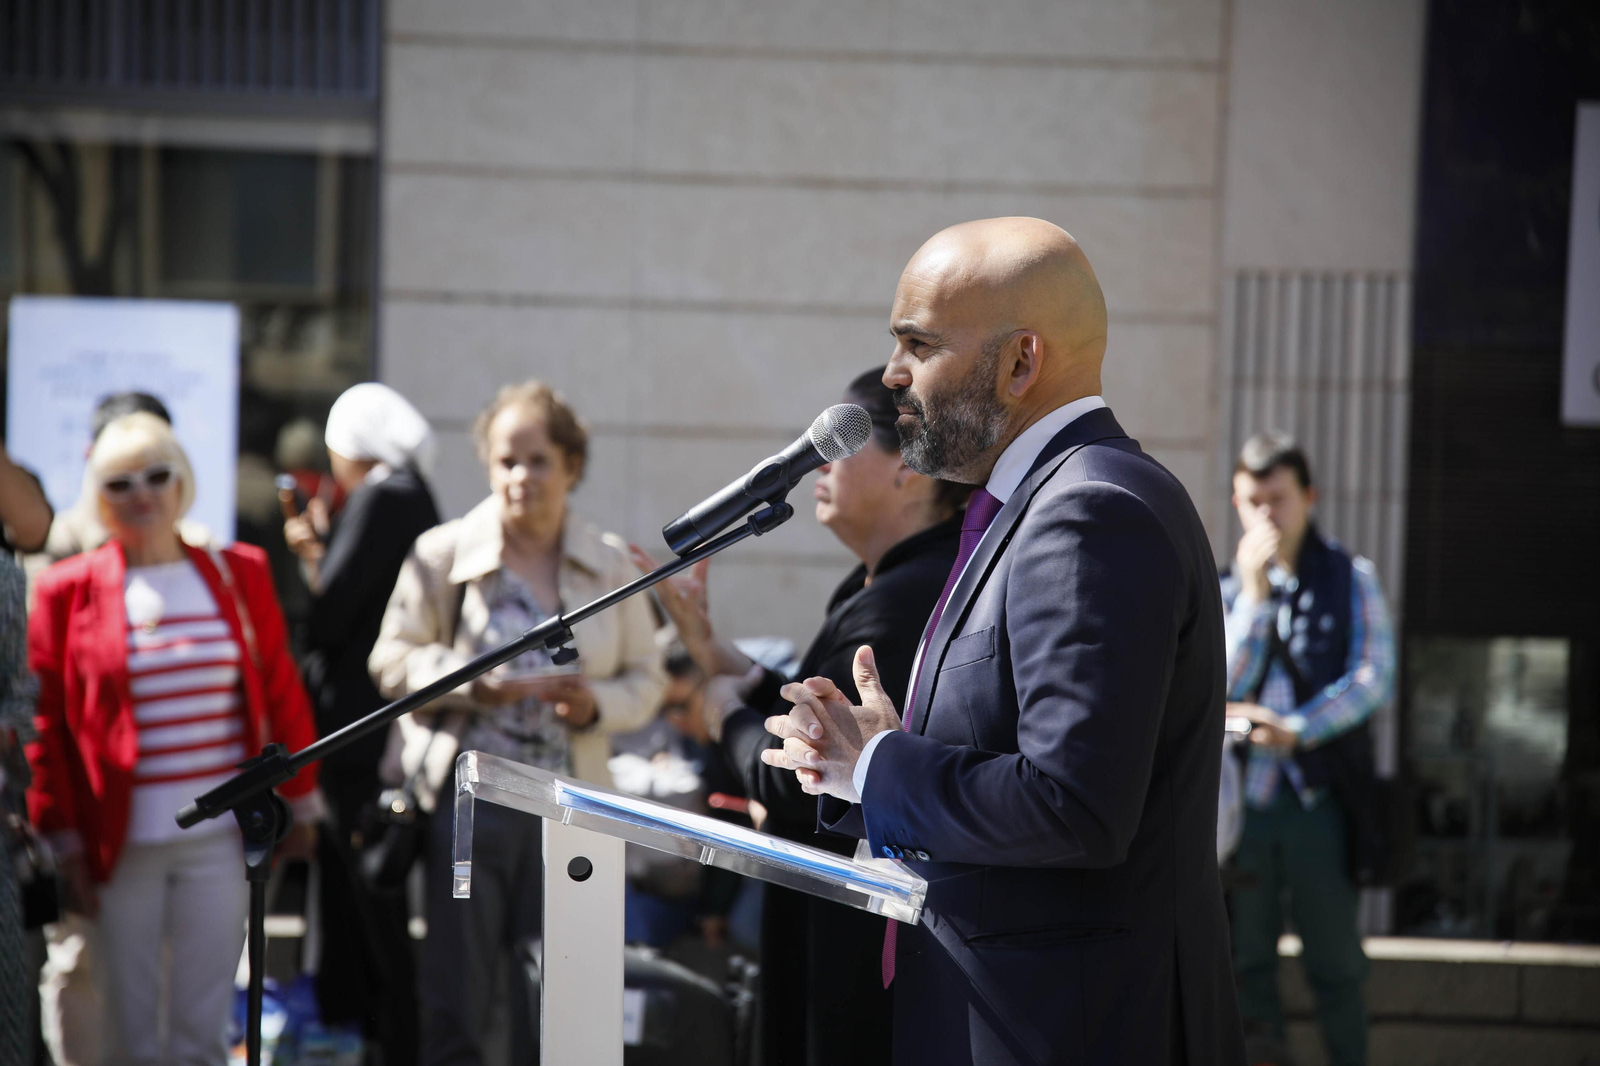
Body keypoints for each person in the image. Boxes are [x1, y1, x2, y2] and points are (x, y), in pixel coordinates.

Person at [761, 218, 1246, 1065]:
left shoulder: (1090, 514)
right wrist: (859, 767)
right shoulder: (1036, 506)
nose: (892, 373)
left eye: (919, 343)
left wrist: (882, 766)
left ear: (1021, 362)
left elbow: (1075, 804)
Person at [635, 365, 970, 1065]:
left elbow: (803, 773)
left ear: (910, 470)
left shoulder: (904, 596)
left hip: (854, 939)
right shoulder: (884, 577)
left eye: (842, 442)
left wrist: (720, 706)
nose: (818, 460)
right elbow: (814, 713)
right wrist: (727, 661)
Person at [369, 380, 665, 1066]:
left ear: (572, 467)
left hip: (574, 807)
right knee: (459, 1002)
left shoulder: (612, 562)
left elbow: (648, 678)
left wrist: (595, 705)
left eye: (537, 460)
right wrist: (476, 683)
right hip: (468, 807)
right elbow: (390, 661)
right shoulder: (443, 554)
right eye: (506, 461)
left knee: (568, 1008)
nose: (520, 477)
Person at [25, 412, 323, 1065]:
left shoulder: (236, 572)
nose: (143, 494)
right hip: (120, 842)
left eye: (158, 476)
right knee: (131, 1029)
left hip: (217, 840)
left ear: (181, 481)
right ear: (99, 496)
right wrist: (65, 841)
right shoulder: (64, 591)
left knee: (202, 1027)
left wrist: (301, 804)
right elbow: (45, 729)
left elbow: (279, 689)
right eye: (121, 482)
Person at [1221, 431, 1395, 1066]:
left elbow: (1374, 677)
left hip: (1318, 799)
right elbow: (1217, 685)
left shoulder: (1351, 577)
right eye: (1253, 501)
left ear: (1309, 498)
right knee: (1247, 960)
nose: (1267, 514)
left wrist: (1296, 728)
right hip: (1245, 807)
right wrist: (1254, 599)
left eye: (1279, 498)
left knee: (1335, 961)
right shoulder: (1228, 587)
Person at [280, 382, 440, 1065]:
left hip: (357, 729)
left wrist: (314, 562)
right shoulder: (412, 494)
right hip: (379, 723)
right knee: (359, 892)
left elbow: (328, 615)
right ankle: (371, 1031)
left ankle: (385, 1035)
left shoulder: (385, 494)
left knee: (363, 894)